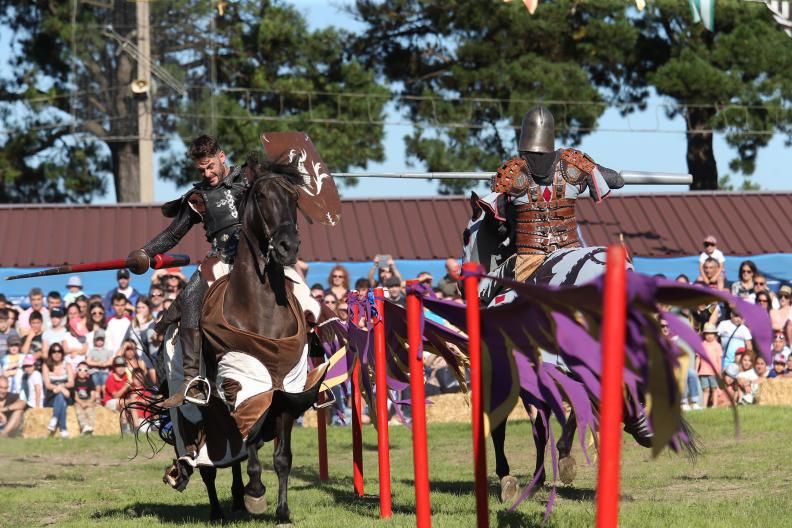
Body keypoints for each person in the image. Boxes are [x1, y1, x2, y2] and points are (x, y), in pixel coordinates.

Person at [489, 105, 624, 282]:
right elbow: (617, 181)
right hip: (571, 253)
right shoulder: (575, 164)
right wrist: (590, 170)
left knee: (499, 294)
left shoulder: (510, 174)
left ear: (524, 135)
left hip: (529, 260)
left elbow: (499, 228)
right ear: (550, 135)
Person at [43, 344, 74, 438]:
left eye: (59, 351)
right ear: (50, 354)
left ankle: (54, 419)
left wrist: (61, 387)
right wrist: (59, 388)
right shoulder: (46, 366)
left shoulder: (67, 365)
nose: (57, 354)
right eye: (54, 351)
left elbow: (71, 383)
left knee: (61, 396)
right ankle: (63, 429)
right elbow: (47, 385)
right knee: (62, 401)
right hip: (52, 394)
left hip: (66, 393)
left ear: (62, 353)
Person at [697, 323, 723, 408]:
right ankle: (704, 405)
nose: (709, 336)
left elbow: (719, 359)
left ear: (715, 335)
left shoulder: (717, 345)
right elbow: (698, 358)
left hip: (714, 371)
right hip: (703, 371)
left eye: (711, 333)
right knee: (705, 389)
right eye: (707, 333)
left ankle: (714, 405)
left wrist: (719, 371)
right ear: (704, 335)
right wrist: (696, 369)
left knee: (714, 388)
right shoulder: (702, 344)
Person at [86, 329, 113, 401]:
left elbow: (111, 361)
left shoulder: (107, 351)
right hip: (95, 371)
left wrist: (105, 364)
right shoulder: (92, 351)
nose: (100, 342)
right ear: (94, 341)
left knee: (104, 386)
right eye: (98, 340)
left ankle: (105, 398)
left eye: (101, 340)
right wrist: (97, 364)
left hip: (104, 371)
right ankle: (97, 399)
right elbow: (88, 361)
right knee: (97, 386)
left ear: (104, 340)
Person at [72, 361, 97, 435]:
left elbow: (93, 394)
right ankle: (84, 426)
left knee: (90, 411)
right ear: (77, 371)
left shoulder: (90, 381)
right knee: (79, 411)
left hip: (88, 400)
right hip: (79, 401)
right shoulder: (74, 382)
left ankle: (90, 427)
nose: (82, 372)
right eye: (80, 370)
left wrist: (89, 402)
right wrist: (81, 402)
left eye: (85, 370)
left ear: (87, 372)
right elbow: (75, 396)